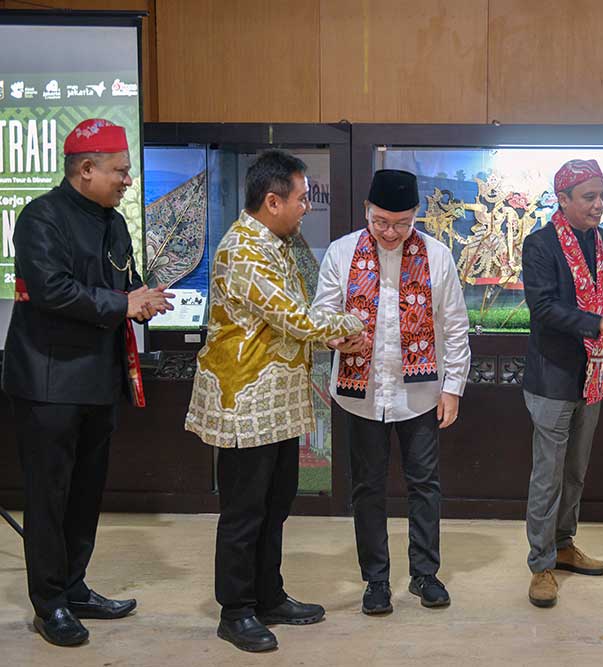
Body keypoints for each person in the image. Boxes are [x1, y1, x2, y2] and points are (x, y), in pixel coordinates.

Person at [2, 119, 172, 647]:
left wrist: (145, 297)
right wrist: (124, 303)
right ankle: (49, 603)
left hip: (98, 380)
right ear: (87, 169)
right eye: (120, 171)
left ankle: (74, 588)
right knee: (49, 497)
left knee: (85, 494)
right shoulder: (40, 217)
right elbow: (52, 291)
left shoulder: (114, 222)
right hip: (49, 383)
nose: (127, 180)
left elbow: (124, 281)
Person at [185, 150, 363, 652]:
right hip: (245, 401)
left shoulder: (277, 242)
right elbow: (296, 318)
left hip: (277, 404)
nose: (307, 206)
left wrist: (332, 331)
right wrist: (352, 323)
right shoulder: (244, 250)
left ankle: (269, 596)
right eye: (302, 198)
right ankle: (236, 610)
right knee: (244, 511)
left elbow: (293, 318)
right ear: (272, 201)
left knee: (275, 504)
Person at [313, 169, 470, 616]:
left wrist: (453, 387)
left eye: (401, 224)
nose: (389, 232)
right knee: (367, 487)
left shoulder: (437, 256)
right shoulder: (342, 252)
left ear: (416, 215)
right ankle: (376, 580)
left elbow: (454, 325)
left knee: (425, 484)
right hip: (360, 392)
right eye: (380, 221)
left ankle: (425, 574)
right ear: (367, 210)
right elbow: (322, 312)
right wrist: (333, 336)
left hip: (420, 392)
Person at [520, 159, 603, 608]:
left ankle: (564, 545)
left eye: (602, 195)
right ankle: (540, 564)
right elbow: (544, 309)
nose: (599, 204)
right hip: (553, 376)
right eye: (589, 197)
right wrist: (598, 325)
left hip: (594, 372)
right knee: (548, 475)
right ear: (563, 199)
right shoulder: (540, 244)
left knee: (576, 470)